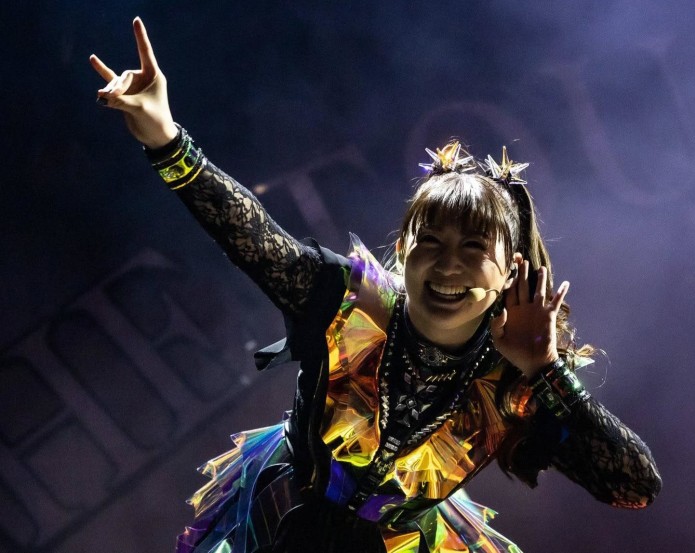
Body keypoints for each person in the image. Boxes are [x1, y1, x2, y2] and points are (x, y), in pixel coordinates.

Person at [90, 18, 661, 553]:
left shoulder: (516, 375)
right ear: (404, 249)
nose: (448, 267)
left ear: (511, 270)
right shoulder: (344, 300)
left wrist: (546, 370)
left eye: (473, 249)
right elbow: (252, 235)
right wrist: (166, 139)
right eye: (430, 242)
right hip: (282, 518)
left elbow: (635, 488)